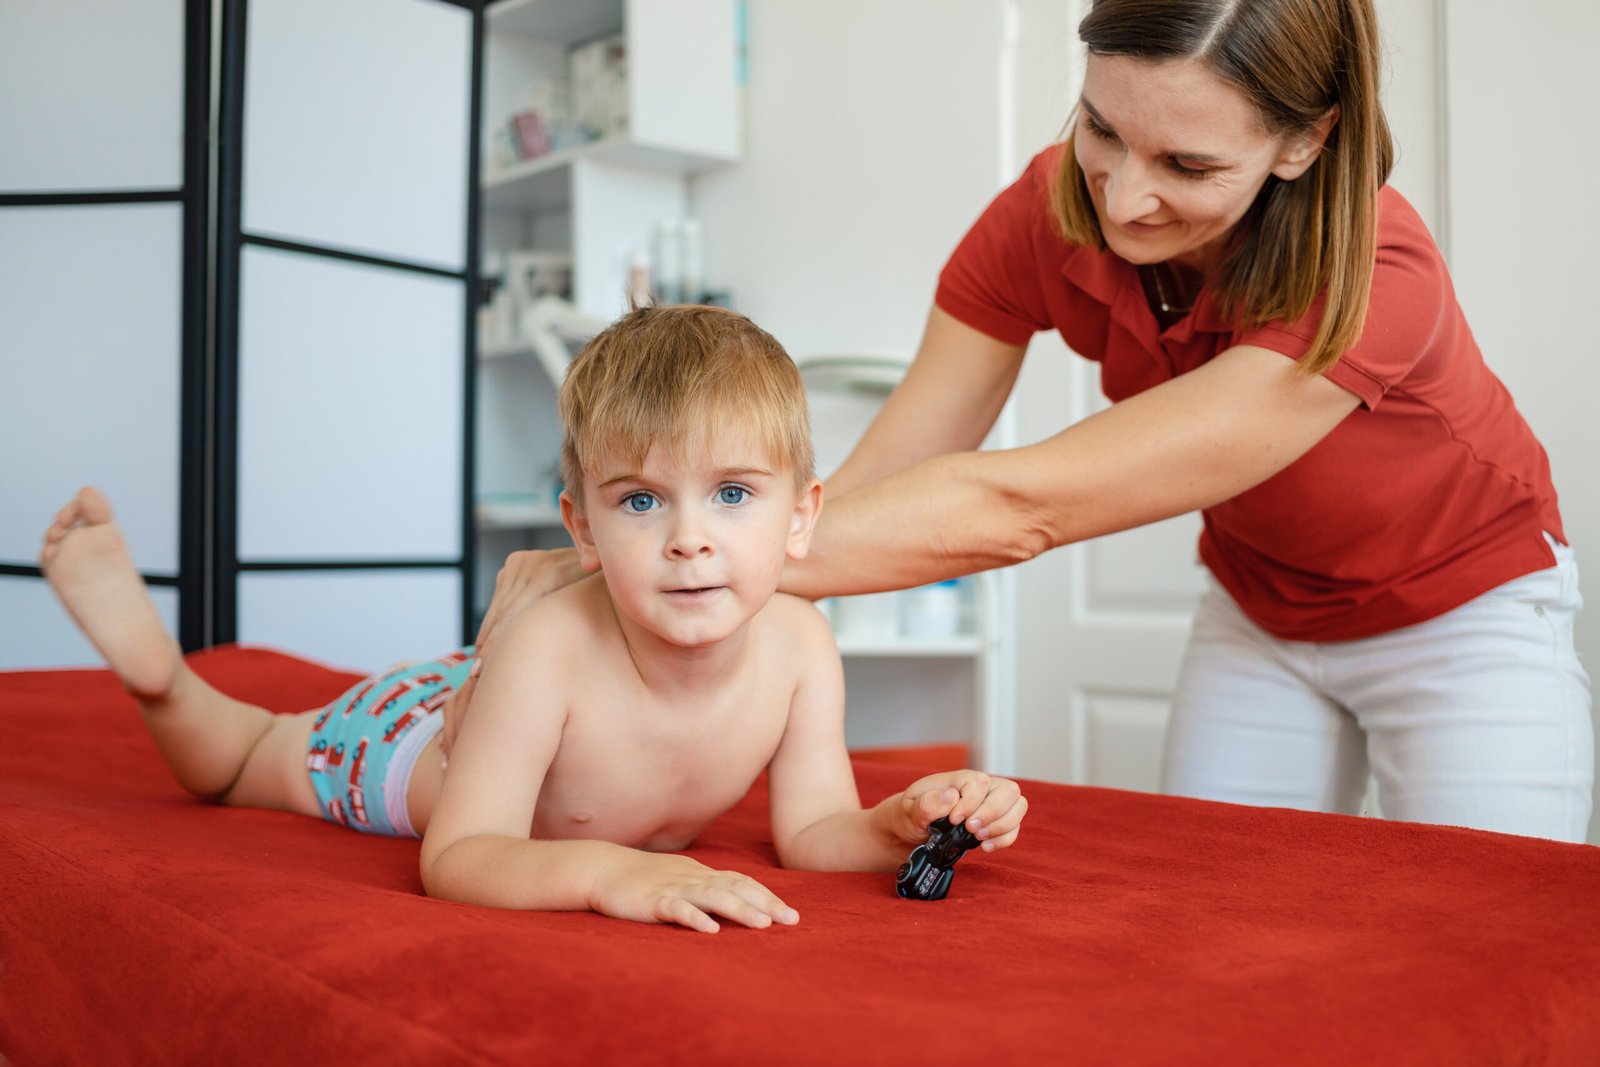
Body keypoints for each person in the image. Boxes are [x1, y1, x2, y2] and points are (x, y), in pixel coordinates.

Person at [455, 0, 1592, 843]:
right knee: (1217, 911)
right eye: (1104, 130)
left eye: (1188, 163)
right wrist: (667, 562)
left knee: (1486, 915)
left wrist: (640, 570)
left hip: (1463, 611)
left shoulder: (1376, 278)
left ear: (1302, 142)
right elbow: (891, 464)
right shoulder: (1046, 210)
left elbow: (1018, 505)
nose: (1124, 196)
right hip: (1260, 610)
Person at [38, 304, 1028, 933]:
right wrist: (605, 874)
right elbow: (460, 854)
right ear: (581, 525)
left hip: (499, 706)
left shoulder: (803, 646)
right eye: (641, 499)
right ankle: (160, 671)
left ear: (802, 512)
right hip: (415, 739)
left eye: (732, 493)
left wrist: (894, 824)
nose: (690, 538)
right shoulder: (553, 644)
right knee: (243, 756)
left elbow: (812, 828)